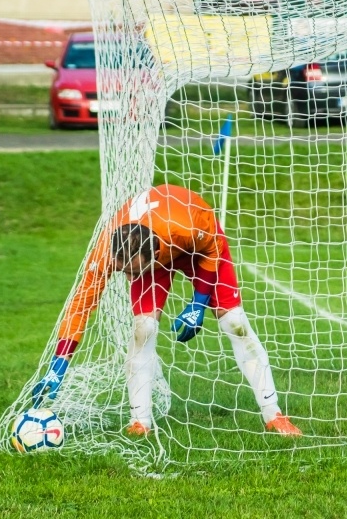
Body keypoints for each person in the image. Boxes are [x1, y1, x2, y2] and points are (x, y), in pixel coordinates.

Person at [32, 184, 302, 437]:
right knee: (143, 329)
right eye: (124, 271)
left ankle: (273, 414)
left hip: (202, 247)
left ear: (154, 255)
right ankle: (140, 421)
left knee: (234, 322)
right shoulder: (107, 252)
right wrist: (58, 365)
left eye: (133, 271)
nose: (128, 277)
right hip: (154, 249)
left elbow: (214, 246)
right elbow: (81, 305)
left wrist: (198, 303)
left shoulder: (186, 227)